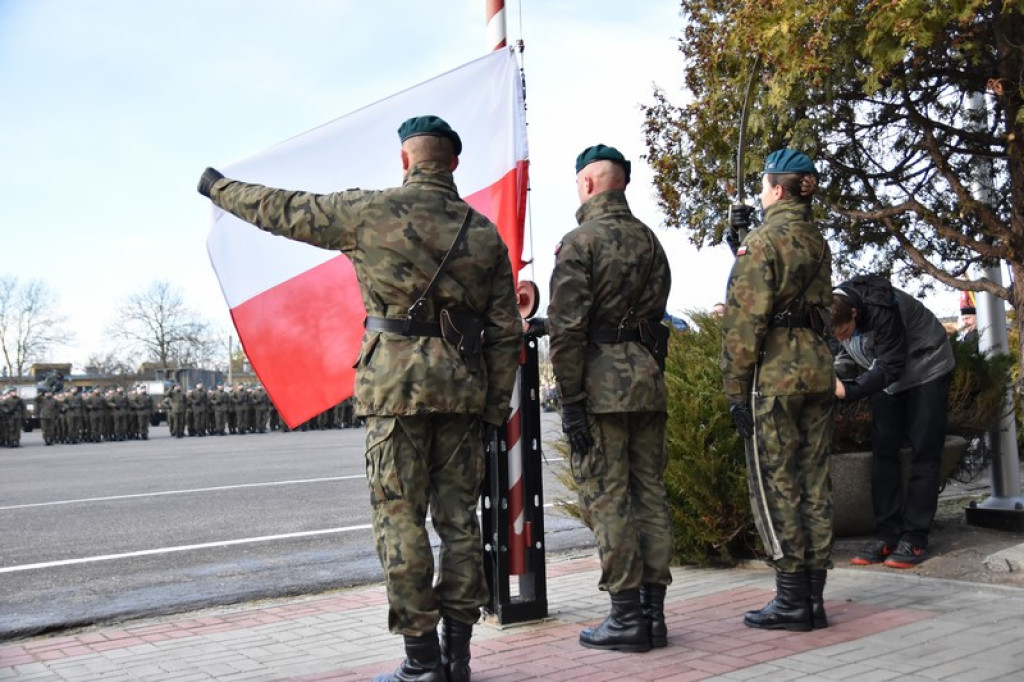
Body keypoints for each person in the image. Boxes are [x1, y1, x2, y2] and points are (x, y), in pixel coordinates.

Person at [198, 114, 521, 682]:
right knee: (459, 523)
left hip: (393, 391)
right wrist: (492, 407)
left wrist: (219, 189)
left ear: (405, 159)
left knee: (399, 519)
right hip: (463, 397)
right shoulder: (483, 233)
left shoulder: (368, 212)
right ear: (453, 163)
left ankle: (422, 662)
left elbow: (285, 209)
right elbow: (506, 332)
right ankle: (460, 657)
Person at [542, 144, 674, 653]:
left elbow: (568, 328)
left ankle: (624, 615)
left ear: (590, 183)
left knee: (608, 498)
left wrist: (570, 400)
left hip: (599, 387)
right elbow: (657, 313)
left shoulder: (579, 243)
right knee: (650, 495)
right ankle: (653, 614)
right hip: (645, 380)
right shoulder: (650, 241)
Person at [721, 148, 834, 631]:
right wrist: (742, 242)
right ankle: (812, 597)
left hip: (775, 372)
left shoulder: (763, 242)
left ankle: (790, 597)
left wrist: (734, 388)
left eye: (765, 185)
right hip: (816, 366)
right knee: (814, 481)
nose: (761, 192)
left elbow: (747, 319)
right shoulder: (816, 239)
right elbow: (792, 290)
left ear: (778, 189)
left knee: (777, 482)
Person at [832, 274, 954, 568]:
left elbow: (891, 364)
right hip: (888, 378)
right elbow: (846, 355)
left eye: (845, 331)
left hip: (927, 368)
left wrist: (850, 390)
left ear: (854, 313)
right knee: (883, 453)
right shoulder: (830, 312)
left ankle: (914, 537)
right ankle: (887, 535)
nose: (842, 338)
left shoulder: (882, 307)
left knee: (924, 450)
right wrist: (831, 373)